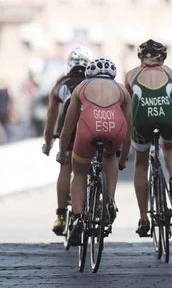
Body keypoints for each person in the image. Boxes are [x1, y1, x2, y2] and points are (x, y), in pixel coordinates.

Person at [56, 58, 132, 247]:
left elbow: (67, 127)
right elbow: (129, 132)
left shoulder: (81, 87)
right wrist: (123, 158)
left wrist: (61, 152)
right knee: (109, 155)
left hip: (89, 126)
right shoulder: (122, 90)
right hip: (115, 128)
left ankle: (79, 217)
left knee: (80, 173)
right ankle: (110, 201)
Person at [124, 39, 172, 237]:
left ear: (140, 57)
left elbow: (127, 110)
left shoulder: (131, 75)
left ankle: (143, 217)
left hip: (142, 121)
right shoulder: (171, 73)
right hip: (168, 118)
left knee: (141, 164)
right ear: (163, 57)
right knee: (169, 146)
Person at [41, 45, 92, 235]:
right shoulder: (93, 82)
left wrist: (49, 142)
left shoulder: (61, 84)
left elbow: (51, 118)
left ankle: (61, 216)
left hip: (69, 130)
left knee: (67, 166)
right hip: (93, 127)